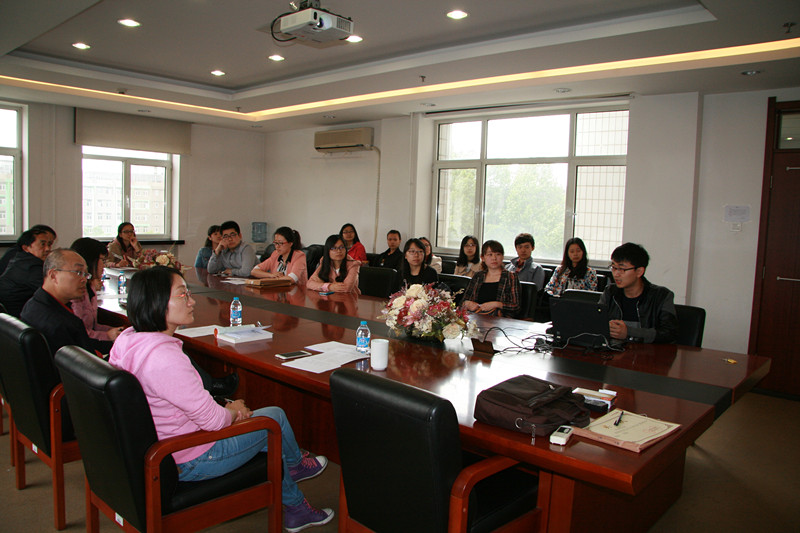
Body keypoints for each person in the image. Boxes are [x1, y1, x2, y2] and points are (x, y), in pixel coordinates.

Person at [108, 267, 334, 532]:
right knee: (273, 420)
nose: (191, 301)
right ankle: (294, 473)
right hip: (191, 457)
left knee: (264, 427)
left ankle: (294, 494)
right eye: (182, 294)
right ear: (157, 302)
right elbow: (214, 422)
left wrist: (224, 407)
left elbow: (179, 399)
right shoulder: (164, 359)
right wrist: (235, 410)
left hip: (161, 443)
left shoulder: (128, 339)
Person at [20, 248, 114, 356]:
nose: (84, 279)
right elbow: (84, 360)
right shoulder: (61, 324)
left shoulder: (33, 304)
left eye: (85, 274)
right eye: (78, 272)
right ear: (53, 275)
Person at [599, 242, 678, 344]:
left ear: (639, 271)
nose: (616, 274)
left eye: (622, 269)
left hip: (647, 352)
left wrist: (629, 332)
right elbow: (596, 321)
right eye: (613, 267)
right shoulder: (610, 292)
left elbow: (669, 334)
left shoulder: (662, 296)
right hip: (613, 351)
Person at [70, 237, 125, 341]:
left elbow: (94, 327)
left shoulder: (90, 287)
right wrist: (108, 335)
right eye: (102, 260)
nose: (104, 266)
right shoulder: (75, 293)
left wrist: (116, 331)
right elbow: (81, 333)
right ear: (90, 261)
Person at [0, 226, 57, 316]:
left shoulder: (20, 259)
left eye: (49, 244)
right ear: (26, 248)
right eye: (42, 244)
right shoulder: (30, 267)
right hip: (18, 316)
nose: (48, 249)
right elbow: (55, 292)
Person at [462, 240, 520, 317]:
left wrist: (497, 304)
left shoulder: (511, 277)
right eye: (490, 254)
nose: (494, 258)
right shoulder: (478, 276)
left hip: (499, 320)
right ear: (483, 258)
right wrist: (467, 303)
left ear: (502, 257)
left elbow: (515, 306)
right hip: (476, 318)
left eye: (498, 254)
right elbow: (463, 300)